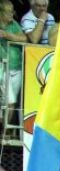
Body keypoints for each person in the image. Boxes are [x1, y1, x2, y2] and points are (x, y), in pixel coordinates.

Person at [0, 0, 26, 129]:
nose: (11, 14)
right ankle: (3, 131)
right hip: (3, 67)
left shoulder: (14, 24)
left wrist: (7, 35)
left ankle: (5, 130)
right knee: (10, 101)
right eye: (8, 11)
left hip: (17, 67)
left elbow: (24, 38)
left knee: (12, 103)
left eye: (12, 11)